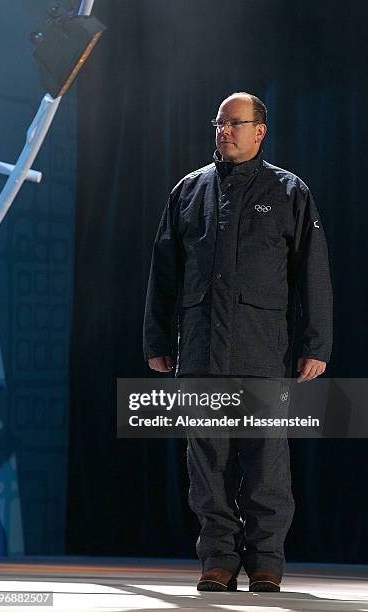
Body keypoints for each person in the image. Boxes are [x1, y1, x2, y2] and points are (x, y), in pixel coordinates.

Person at [143, 92, 333, 592]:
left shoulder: (290, 191)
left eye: (234, 123)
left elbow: (311, 273)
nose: (223, 131)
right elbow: (164, 274)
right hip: (201, 349)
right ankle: (218, 562)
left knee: (265, 461)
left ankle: (266, 561)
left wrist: (316, 343)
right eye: (219, 123)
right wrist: (158, 339)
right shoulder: (190, 190)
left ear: (260, 131)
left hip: (262, 349)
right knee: (207, 465)